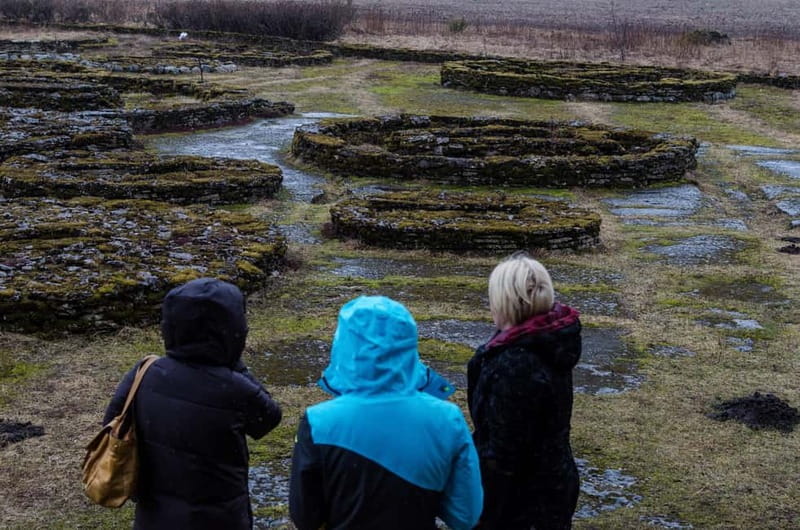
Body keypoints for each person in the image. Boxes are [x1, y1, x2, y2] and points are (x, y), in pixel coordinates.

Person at [289, 295, 483, 530]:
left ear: (344, 347)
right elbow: (465, 515)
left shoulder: (318, 423)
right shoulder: (448, 419)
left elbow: (305, 516)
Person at [103, 278, 282, 530]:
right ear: (232, 329)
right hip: (220, 518)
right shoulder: (235, 388)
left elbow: (111, 425)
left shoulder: (144, 371)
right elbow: (269, 418)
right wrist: (233, 361)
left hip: (154, 514)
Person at [468, 253, 581, 529]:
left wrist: (482, 512)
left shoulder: (514, 364)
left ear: (504, 300)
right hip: (554, 480)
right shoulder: (550, 341)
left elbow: (503, 453)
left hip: (522, 501)